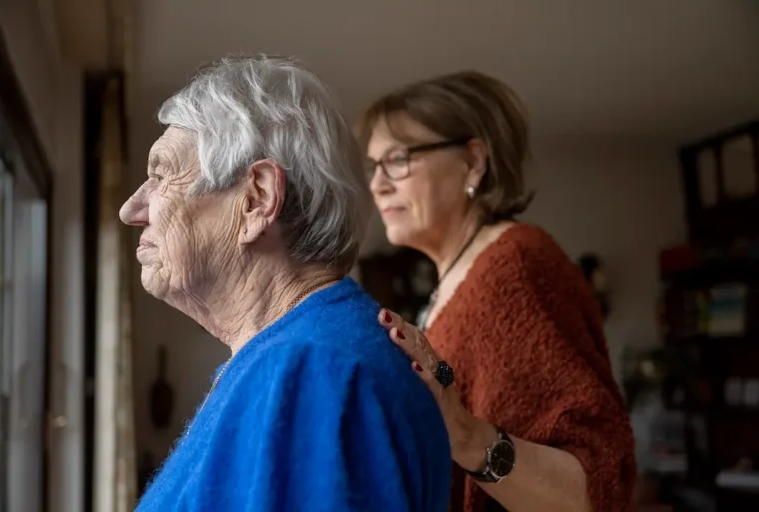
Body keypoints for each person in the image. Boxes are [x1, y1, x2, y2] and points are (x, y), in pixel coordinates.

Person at [121, 55, 451, 512]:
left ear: (257, 200)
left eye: (160, 176)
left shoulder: (314, 372)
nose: (132, 210)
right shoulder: (288, 359)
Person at [360, 71, 636, 512]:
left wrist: (466, 436)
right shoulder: (453, 281)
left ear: (473, 162)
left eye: (398, 159)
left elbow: (593, 487)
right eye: (373, 166)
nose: (378, 183)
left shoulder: (516, 263)